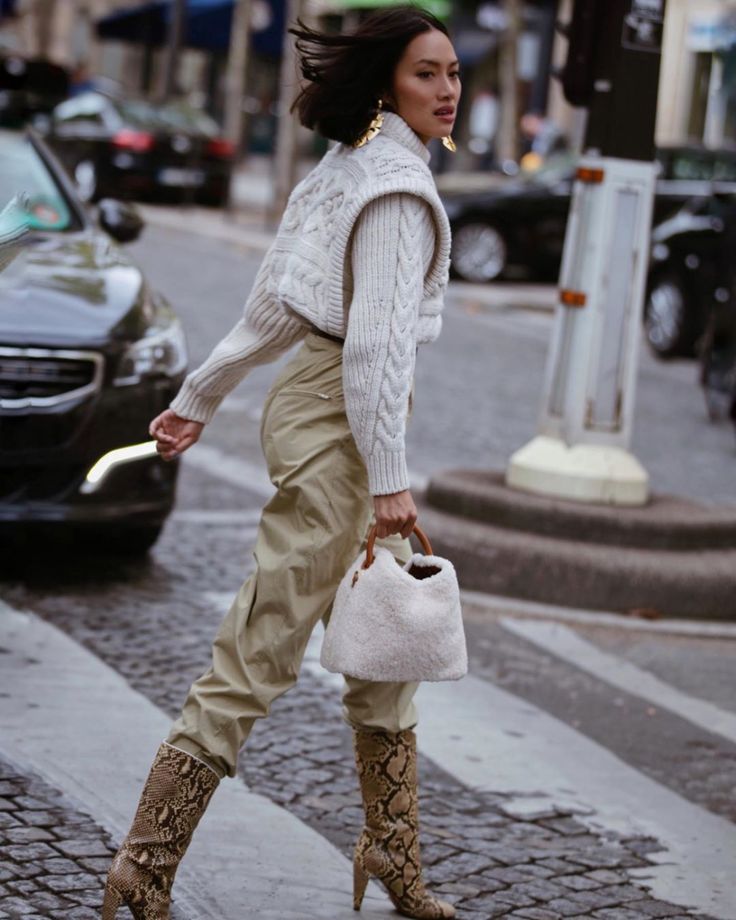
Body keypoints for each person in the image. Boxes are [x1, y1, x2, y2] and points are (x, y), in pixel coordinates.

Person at [102, 7, 460, 919]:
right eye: (428, 74)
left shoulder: (351, 169)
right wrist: (388, 478)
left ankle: (391, 852)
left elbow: (277, 301)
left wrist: (200, 395)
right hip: (345, 418)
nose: (448, 90)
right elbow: (373, 350)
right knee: (261, 647)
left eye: (455, 73)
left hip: (326, 400)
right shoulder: (389, 189)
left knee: (386, 639)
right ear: (387, 84)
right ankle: (142, 870)